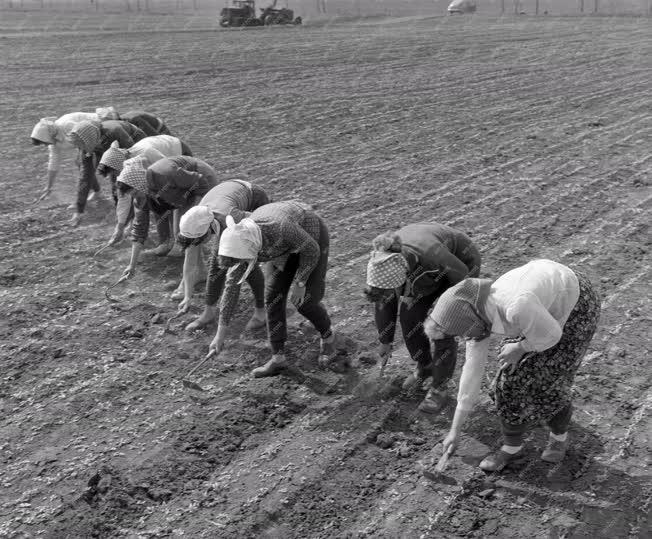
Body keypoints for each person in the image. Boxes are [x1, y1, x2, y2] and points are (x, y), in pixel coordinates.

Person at [425, 259, 600, 472]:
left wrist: (521, 347)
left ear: (467, 321)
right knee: (507, 381)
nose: (462, 338)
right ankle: (513, 447)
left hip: (575, 304)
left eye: (459, 334)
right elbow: (471, 372)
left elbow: (552, 334)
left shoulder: (516, 305)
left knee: (550, 382)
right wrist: (455, 430)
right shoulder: (475, 314)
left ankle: (559, 437)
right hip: (539, 307)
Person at [365, 223, 481, 413]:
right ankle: (425, 365)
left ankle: (439, 387)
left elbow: (464, 282)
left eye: (391, 291)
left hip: (460, 268)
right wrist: (385, 341)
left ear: (402, 279)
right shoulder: (383, 263)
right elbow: (384, 302)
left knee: (441, 327)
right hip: (422, 276)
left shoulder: (432, 256)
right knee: (409, 318)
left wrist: (457, 311)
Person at [214, 201, 336, 378]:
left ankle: (329, 338)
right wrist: (220, 335)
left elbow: (311, 250)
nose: (241, 265)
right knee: (273, 298)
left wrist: (300, 283)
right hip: (280, 249)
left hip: (311, 238)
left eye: (242, 262)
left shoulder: (279, 228)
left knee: (305, 301)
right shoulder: (240, 244)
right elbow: (231, 287)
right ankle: (278, 359)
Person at [176, 179, 271, 330]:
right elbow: (190, 263)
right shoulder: (194, 220)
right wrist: (188, 295)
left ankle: (261, 312)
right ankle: (208, 313)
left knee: (247, 264)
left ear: (207, 230)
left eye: (199, 241)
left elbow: (263, 222)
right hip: (226, 194)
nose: (198, 244)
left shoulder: (231, 218)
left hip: (253, 197)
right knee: (216, 263)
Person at [119, 157, 219, 293]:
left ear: (139, 184)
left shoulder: (164, 174)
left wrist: (196, 208)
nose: (136, 197)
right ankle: (200, 272)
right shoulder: (141, 194)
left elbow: (200, 181)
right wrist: (131, 265)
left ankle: (187, 283)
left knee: (189, 230)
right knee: (180, 232)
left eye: (136, 192)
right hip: (183, 192)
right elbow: (139, 230)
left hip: (203, 180)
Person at [98, 135, 193, 244]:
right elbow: (123, 198)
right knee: (152, 201)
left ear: (119, 165)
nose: (115, 176)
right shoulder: (124, 167)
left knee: (168, 201)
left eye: (114, 172)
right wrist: (119, 228)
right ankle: (166, 240)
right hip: (162, 167)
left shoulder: (146, 153)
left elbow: (168, 168)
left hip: (179, 151)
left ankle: (180, 239)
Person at [67, 118, 149, 226]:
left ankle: (135, 214)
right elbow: (85, 176)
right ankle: (122, 215)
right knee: (114, 183)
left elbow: (133, 157)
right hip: (104, 147)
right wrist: (79, 209)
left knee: (124, 182)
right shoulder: (86, 145)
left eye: (81, 145)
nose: (80, 149)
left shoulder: (114, 131)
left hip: (134, 143)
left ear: (88, 140)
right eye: (78, 146)